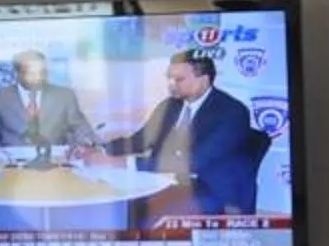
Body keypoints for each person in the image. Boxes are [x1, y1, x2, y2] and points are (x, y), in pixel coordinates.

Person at [105, 52, 264, 215]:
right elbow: (140, 140)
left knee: (153, 210)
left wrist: (125, 163)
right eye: (170, 78)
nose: (171, 85)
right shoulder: (170, 105)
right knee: (119, 201)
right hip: (167, 182)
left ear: (203, 79)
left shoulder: (232, 112)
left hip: (212, 190)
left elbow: (194, 161)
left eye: (179, 79)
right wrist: (102, 150)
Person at [0, 49, 99, 152]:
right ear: (17, 73)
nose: (38, 78)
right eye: (31, 73)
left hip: (56, 161)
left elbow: (79, 126)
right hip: (12, 163)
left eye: (42, 73)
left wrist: (86, 140)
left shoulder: (65, 95)